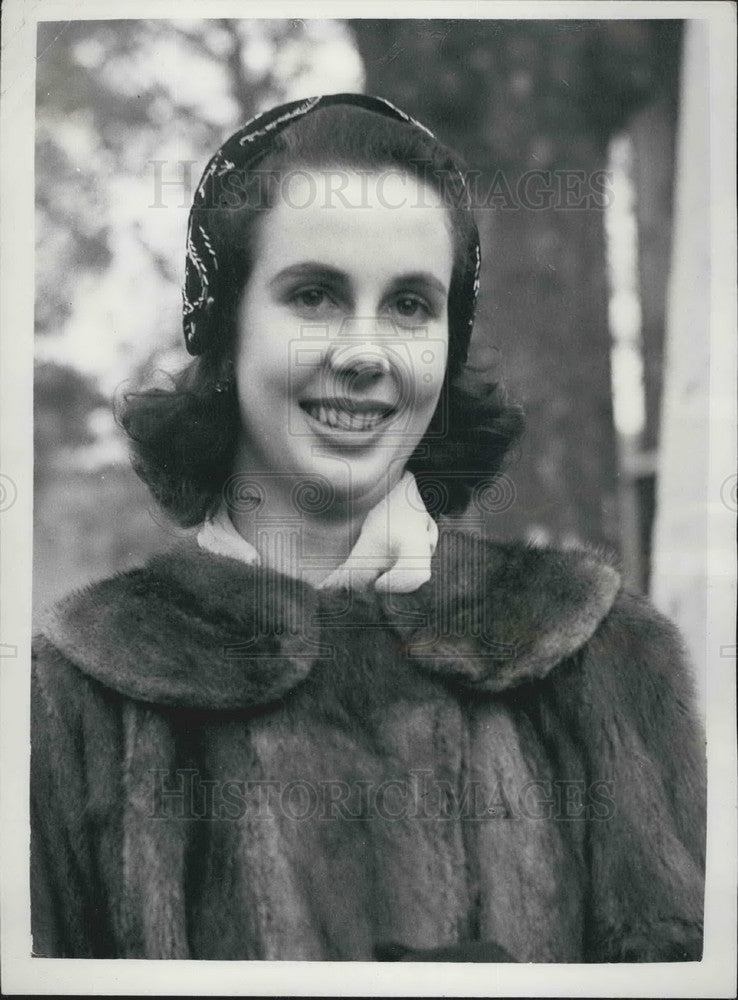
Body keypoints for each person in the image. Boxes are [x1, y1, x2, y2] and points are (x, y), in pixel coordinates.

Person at [30, 93, 706, 962]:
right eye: (313, 295)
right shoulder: (78, 697)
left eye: (411, 306)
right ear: (226, 329)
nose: (364, 352)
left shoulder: (599, 657)